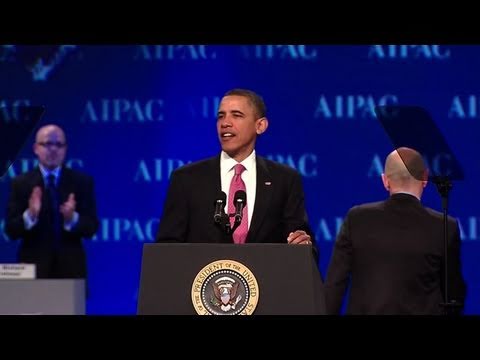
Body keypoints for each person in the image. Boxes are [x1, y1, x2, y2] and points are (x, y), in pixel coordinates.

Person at [156, 88, 316, 256]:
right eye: (221, 116)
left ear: (260, 125)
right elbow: (167, 248)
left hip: (265, 280)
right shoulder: (186, 179)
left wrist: (302, 244)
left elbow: (301, 244)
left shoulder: (285, 180)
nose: (225, 123)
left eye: (236, 115)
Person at [325, 147, 466, 315]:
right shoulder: (445, 226)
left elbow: (335, 285)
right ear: (425, 178)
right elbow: (453, 295)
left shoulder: (357, 218)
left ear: (385, 181)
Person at [5, 124, 99, 279]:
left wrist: (72, 219)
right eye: (48, 144)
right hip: (32, 272)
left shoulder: (82, 182)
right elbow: (11, 231)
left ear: (65, 149)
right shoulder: (21, 183)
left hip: (71, 272)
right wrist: (30, 215)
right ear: (36, 148)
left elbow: (92, 228)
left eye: (59, 145)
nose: (54, 149)